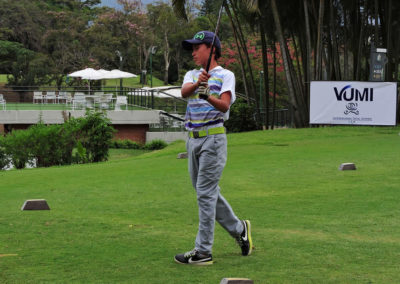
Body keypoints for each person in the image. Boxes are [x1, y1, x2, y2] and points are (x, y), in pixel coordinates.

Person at [174, 31, 253, 266]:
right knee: (205, 193)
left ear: (211, 49)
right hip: (193, 139)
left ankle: (203, 251)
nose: (194, 52)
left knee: (205, 193)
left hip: (214, 138)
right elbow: (184, 92)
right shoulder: (192, 74)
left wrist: (207, 94)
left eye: (197, 47)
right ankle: (239, 230)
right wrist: (199, 83)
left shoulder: (226, 75)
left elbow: (224, 105)